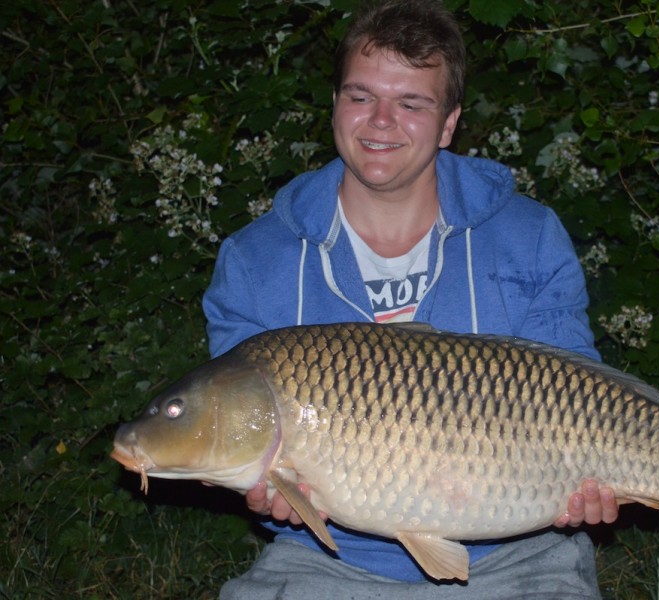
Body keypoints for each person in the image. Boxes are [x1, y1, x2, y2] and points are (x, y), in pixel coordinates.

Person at [203, 1, 622, 597]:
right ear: (335, 106)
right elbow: (241, 423)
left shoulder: (528, 237)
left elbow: (580, 390)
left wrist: (588, 487)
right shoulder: (253, 261)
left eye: (411, 103)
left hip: (516, 552)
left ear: (449, 123)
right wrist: (271, 493)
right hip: (329, 561)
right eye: (360, 96)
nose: (379, 121)